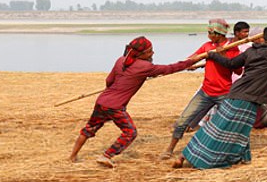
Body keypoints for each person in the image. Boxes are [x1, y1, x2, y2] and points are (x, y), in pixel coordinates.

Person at [172, 14, 267, 170]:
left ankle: (185, 155)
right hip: (247, 98)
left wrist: (215, 55)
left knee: (218, 126)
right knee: (225, 129)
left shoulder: (251, 51)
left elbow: (231, 63)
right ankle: (203, 159)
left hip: (236, 93)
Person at [70, 37, 193, 168]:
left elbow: (109, 81)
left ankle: (73, 156)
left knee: (89, 128)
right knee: (130, 132)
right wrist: (192, 61)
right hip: (115, 107)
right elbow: (171, 68)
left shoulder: (121, 60)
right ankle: (106, 156)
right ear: (141, 54)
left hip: (102, 101)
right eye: (150, 51)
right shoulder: (146, 67)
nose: (153, 53)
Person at [161, 19, 241, 158]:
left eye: (210, 33)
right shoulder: (207, 46)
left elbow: (238, 70)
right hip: (205, 92)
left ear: (219, 34)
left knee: (226, 124)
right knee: (183, 121)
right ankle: (170, 149)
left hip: (224, 93)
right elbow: (193, 58)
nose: (208, 35)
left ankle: (228, 151)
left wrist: (222, 55)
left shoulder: (232, 48)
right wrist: (185, 64)